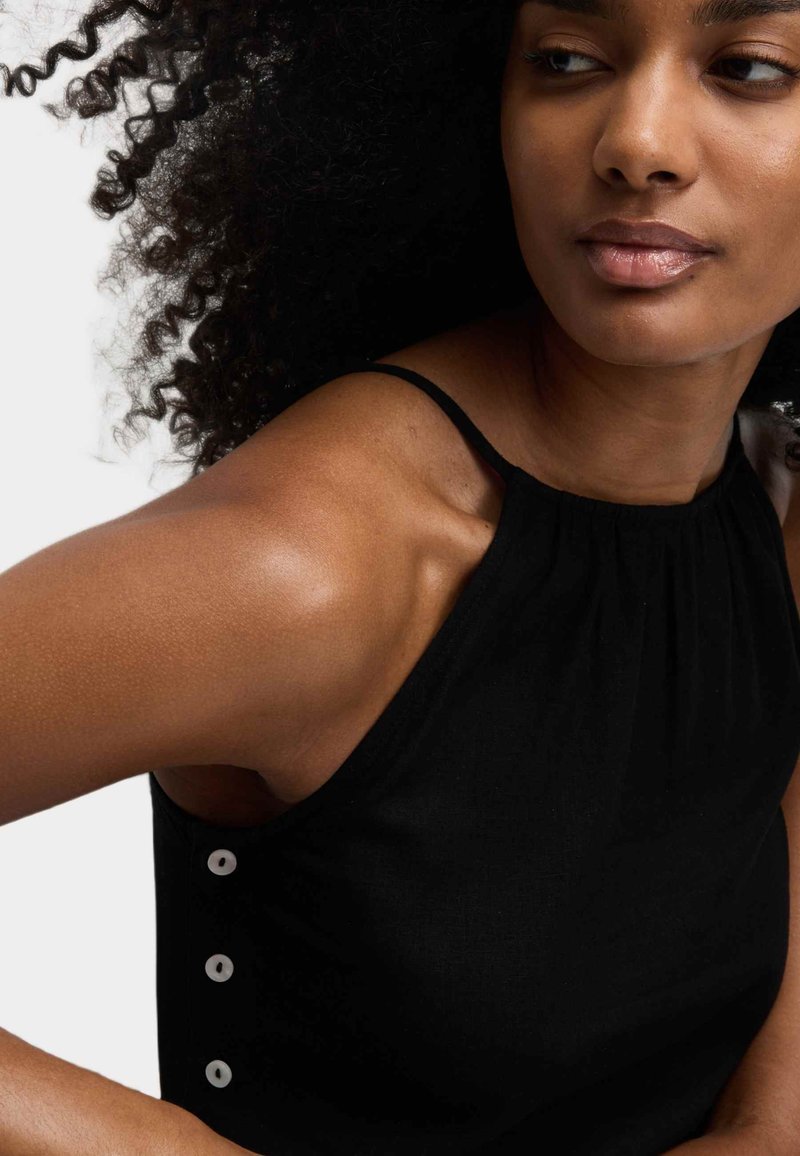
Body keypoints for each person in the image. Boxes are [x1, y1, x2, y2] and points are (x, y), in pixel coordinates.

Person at [3, 0, 800, 1152]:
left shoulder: (770, 499)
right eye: (565, 59)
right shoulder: (309, 567)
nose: (637, 142)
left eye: (749, 68)